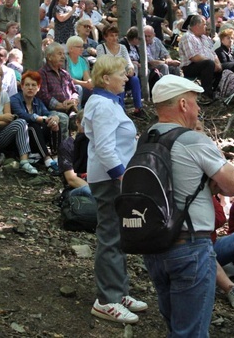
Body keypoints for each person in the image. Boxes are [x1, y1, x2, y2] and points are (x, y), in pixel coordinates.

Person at [142, 74, 234, 335]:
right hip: (190, 247)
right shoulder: (193, 141)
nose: (199, 108)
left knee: (176, 326)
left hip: (153, 245)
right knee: (191, 332)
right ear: (183, 105)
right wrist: (214, 151)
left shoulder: (145, 138)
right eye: (195, 102)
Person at [83, 55, 145, 324]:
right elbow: (105, 148)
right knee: (110, 235)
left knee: (119, 234)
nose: (126, 77)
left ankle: (119, 292)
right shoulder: (103, 106)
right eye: (121, 74)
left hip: (112, 177)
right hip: (109, 180)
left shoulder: (108, 103)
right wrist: (122, 177)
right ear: (106, 79)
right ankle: (106, 299)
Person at [10, 71, 61, 175]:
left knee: (54, 124)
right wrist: (40, 118)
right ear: (22, 86)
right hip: (21, 140)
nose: (30, 88)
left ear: (38, 88)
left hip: (38, 139)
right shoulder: (14, 99)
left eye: (33, 85)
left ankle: (56, 157)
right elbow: (22, 115)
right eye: (27, 85)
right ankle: (47, 160)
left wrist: (54, 117)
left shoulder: (38, 102)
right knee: (33, 126)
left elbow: (47, 113)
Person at [96, 25, 145, 118]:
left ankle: (138, 108)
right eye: (111, 36)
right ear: (105, 37)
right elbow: (101, 64)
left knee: (134, 80)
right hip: (108, 78)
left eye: (115, 35)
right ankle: (121, 109)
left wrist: (130, 69)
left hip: (122, 75)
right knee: (118, 79)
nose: (114, 38)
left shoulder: (122, 47)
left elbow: (128, 62)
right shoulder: (101, 47)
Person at [37, 42, 76, 138]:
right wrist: (61, 106)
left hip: (69, 107)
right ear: (49, 57)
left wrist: (73, 100)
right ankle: (63, 148)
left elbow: (75, 91)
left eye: (64, 54)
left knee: (82, 116)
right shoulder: (42, 73)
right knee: (63, 118)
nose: (63, 57)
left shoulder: (65, 73)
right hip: (50, 110)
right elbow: (44, 96)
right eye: (60, 54)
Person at [179, 15, 220, 104]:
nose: (206, 27)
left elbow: (213, 52)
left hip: (207, 63)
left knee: (228, 66)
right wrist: (213, 63)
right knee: (209, 64)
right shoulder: (188, 37)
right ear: (197, 26)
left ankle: (217, 92)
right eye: (204, 24)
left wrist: (218, 64)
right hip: (190, 67)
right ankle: (206, 95)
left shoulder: (204, 38)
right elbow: (194, 57)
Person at [143, 25, 181, 90]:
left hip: (158, 64)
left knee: (175, 67)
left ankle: (176, 89)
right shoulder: (141, 44)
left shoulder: (157, 41)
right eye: (145, 36)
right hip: (147, 67)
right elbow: (151, 62)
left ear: (154, 35)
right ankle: (164, 90)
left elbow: (165, 53)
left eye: (149, 36)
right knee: (164, 66)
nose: (147, 38)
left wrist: (169, 60)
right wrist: (168, 62)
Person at [65, 36, 93, 107]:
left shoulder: (82, 60)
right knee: (78, 88)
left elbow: (87, 77)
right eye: (79, 47)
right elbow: (67, 79)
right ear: (71, 48)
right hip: (69, 86)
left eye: (82, 47)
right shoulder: (65, 60)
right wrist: (84, 83)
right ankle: (77, 112)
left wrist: (90, 82)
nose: (82, 49)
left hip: (81, 84)